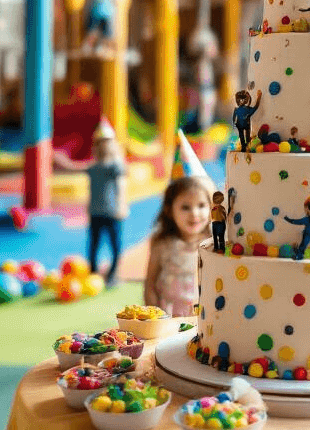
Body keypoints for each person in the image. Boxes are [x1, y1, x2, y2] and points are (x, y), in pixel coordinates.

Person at [57, 120, 128, 285]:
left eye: (106, 144)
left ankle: (112, 275)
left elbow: (121, 185)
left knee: (114, 245)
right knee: (94, 245)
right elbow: (74, 168)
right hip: (96, 212)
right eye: (99, 145)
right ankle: (94, 272)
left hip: (112, 212)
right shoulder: (94, 167)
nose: (103, 148)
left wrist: (121, 205)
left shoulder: (115, 166)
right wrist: (62, 162)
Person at [143, 172, 214, 317]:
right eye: (185, 207)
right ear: (169, 210)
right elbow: (150, 283)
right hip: (169, 317)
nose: (194, 213)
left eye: (201, 205)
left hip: (204, 318)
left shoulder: (214, 242)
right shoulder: (162, 243)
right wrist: (156, 318)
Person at [210, 188, 236, 253]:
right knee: (215, 236)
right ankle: (216, 247)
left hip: (220, 223)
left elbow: (224, 215)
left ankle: (222, 248)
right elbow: (212, 215)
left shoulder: (221, 208)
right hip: (214, 223)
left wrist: (225, 219)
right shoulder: (213, 208)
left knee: (221, 236)